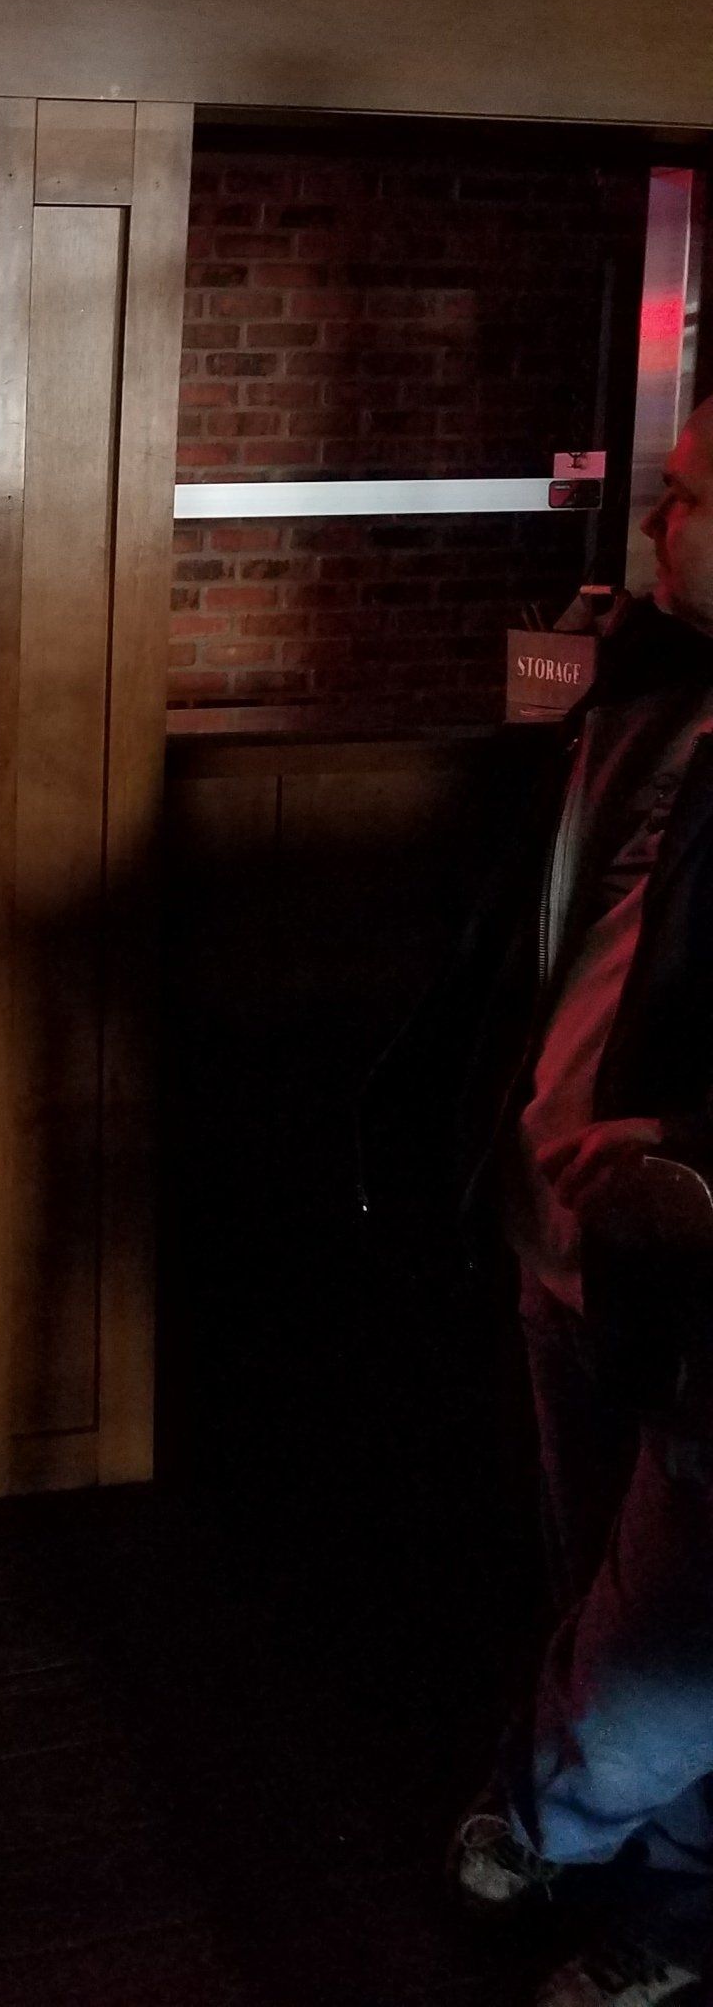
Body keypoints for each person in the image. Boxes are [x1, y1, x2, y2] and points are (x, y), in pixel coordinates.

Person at [441, 398, 713, 2007]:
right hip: (565, 1223)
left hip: (686, 1259)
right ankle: (630, 1888)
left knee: (670, 1629)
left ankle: (606, 1862)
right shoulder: (645, 690)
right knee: (592, 1571)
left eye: (688, 498)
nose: (661, 524)